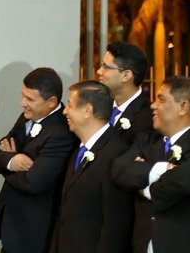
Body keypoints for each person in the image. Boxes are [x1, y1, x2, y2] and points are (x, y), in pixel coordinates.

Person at [110, 75, 190, 253]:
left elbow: (185, 182)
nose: (153, 106)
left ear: (183, 106)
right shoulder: (146, 141)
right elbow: (119, 169)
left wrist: (143, 184)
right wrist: (163, 169)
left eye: (161, 99)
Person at [0, 66, 76, 253]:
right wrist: (12, 160)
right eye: (22, 95)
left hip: (35, 233)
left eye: (29, 99)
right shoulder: (26, 117)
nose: (22, 103)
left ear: (51, 102)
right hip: (14, 227)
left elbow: (33, 182)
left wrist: (7, 162)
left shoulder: (61, 133)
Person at [50, 80, 131, 253]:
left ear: (87, 110)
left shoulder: (116, 154)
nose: (65, 111)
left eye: (70, 106)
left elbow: (114, 224)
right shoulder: (80, 149)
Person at [97, 42, 153, 145]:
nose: (99, 71)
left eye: (106, 67)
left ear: (126, 75)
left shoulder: (147, 118)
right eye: (101, 65)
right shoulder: (98, 105)